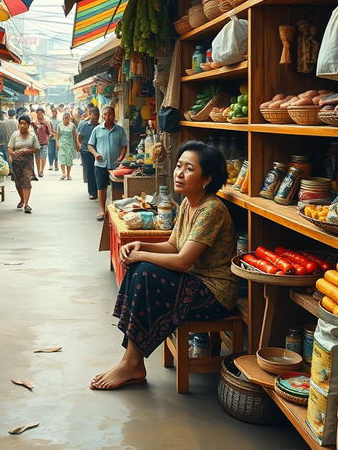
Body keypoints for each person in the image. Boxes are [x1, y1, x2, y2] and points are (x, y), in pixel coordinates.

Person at [90, 141, 236, 391]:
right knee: (139, 268)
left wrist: (142, 256)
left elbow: (182, 261)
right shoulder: (190, 203)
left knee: (145, 270)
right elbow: (172, 245)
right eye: (179, 166)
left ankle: (132, 363)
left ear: (206, 178)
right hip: (195, 283)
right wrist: (140, 246)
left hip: (215, 294)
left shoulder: (211, 209)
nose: (179, 173)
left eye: (189, 169)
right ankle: (132, 362)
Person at [88, 106, 128, 221]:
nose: (107, 117)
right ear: (102, 116)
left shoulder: (120, 130)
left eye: (110, 114)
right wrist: (95, 154)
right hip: (100, 165)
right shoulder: (97, 130)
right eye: (105, 114)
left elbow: (124, 146)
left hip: (115, 165)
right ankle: (102, 210)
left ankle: (117, 211)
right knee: (101, 188)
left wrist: (121, 156)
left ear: (114, 115)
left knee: (118, 188)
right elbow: (90, 145)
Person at [7, 115, 40, 214]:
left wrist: (28, 150)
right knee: (18, 182)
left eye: (24, 123)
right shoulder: (14, 135)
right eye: (20, 123)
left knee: (27, 180)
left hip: (28, 161)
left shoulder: (32, 136)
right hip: (16, 161)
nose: (22, 125)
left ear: (28, 125)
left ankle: (26, 204)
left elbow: (37, 148)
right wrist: (12, 153)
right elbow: (9, 147)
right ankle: (22, 199)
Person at [77, 107, 100, 200]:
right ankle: (92, 192)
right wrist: (80, 147)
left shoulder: (100, 126)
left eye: (97, 116)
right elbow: (80, 137)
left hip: (97, 152)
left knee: (97, 171)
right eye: (94, 116)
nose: (95, 118)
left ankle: (98, 190)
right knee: (90, 171)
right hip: (86, 152)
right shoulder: (84, 125)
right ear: (90, 115)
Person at [56, 111, 78, 180]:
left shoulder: (72, 125)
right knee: (62, 158)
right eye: (64, 118)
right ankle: (63, 173)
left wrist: (76, 145)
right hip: (61, 144)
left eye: (67, 118)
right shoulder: (59, 125)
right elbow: (57, 136)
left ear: (70, 119)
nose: (66, 120)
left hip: (69, 145)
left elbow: (75, 136)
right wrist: (57, 144)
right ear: (63, 119)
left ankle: (68, 174)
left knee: (69, 160)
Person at [31, 107, 53, 177]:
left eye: (40, 113)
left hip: (44, 143)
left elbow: (50, 133)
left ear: (43, 113)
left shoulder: (46, 122)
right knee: (37, 157)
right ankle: (38, 171)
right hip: (36, 143)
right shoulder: (34, 122)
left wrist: (47, 137)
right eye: (37, 113)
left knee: (43, 157)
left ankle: (41, 171)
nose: (39, 115)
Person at [47, 107, 60, 171]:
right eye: (53, 111)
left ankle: (56, 164)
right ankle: (50, 164)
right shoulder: (49, 120)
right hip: (51, 138)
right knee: (50, 152)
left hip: (57, 138)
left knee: (56, 152)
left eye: (55, 111)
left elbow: (59, 130)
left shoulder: (59, 121)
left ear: (57, 112)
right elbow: (48, 130)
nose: (54, 112)